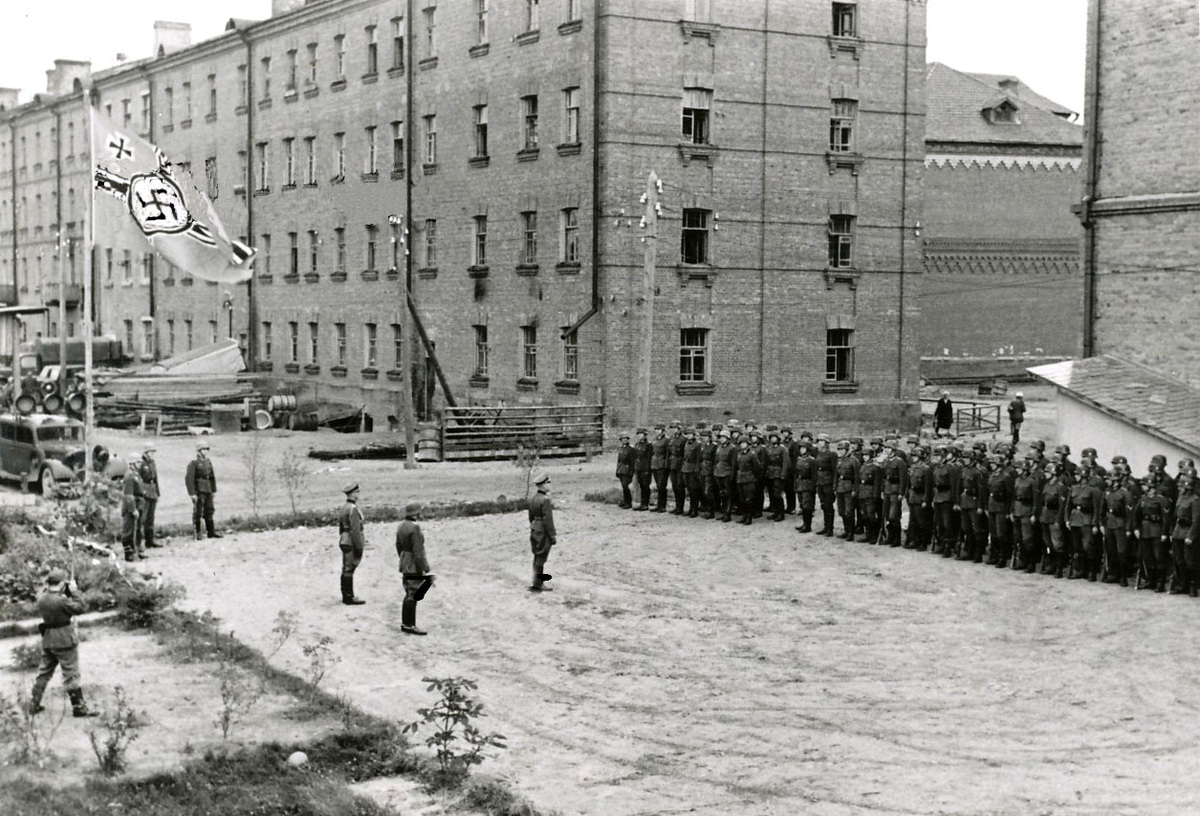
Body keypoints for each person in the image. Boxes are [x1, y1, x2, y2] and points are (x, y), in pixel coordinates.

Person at [29, 569, 96, 717]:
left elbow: (50, 596)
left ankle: (33, 704)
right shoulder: (62, 600)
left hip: (48, 638)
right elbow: (81, 608)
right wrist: (75, 591)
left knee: (44, 672)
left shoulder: (42, 598)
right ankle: (79, 708)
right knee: (71, 673)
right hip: (64, 639)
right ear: (61, 583)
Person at [395, 501, 433, 634]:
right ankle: (409, 625)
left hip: (405, 560)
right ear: (416, 514)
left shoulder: (401, 526)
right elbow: (418, 551)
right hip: (413, 563)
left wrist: (404, 558)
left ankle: (407, 623)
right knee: (414, 592)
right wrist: (423, 568)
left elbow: (398, 546)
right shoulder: (415, 528)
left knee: (408, 591)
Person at [185, 440, 222, 540]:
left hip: (208, 488)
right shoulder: (194, 463)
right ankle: (198, 532)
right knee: (198, 511)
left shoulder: (208, 462)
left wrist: (213, 490)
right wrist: (192, 493)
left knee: (209, 510)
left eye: (206, 449)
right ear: (199, 451)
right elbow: (189, 479)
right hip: (199, 489)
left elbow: (212, 476)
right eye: (203, 449)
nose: (205, 451)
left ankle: (211, 531)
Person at [338, 483, 367, 605]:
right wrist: (360, 546)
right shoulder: (353, 509)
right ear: (352, 494)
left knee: (346, 568)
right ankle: (349, 597)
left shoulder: (344, 507)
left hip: (344, 539)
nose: (358, 494)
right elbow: (355, 530)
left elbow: (341, 527)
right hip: (351, 541)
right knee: (349, 569)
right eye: (357, 492)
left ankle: (346, 595)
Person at [528, 470, 557, 592]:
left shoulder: (533, 498)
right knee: (541, 557)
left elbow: (530, 517)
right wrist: (552, 536)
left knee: (536, 555)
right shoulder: (545, 500)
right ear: (543, 484)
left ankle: (536, 581)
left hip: (535, 528)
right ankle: (538, 584)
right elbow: (548, 520)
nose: (550, 485)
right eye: (548, 482)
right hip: (543, 530)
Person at [121, 454, 146, 562]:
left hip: (139, 503)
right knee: (129, 531)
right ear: (132, 464)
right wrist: (133, 509)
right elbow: (128, 495)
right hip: (131, 506)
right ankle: (128, 553)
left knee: (138, 530)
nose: (140, 464)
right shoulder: (129, 476)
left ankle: (136, 550)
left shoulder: (136, 474)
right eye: (138, 462)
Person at [140, 443, 161, 548]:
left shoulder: (153, 463)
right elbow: (139, 479)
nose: (152, 454)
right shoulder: (141, 464)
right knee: (143, 517)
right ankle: (138, 541)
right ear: (146, 453)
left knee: (151, 518)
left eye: (153, 452)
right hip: (145, 492)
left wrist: (157, 492)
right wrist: (141, 492)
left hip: (152, 491)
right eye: (151, 452)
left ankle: (150, 540)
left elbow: (155, 478)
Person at [632, 428, 653, 511]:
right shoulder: (637, 444)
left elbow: (649, 458)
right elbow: (635, 456)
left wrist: (647, 469)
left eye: (641, 434)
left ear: (645, 435)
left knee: (645, 486)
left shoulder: (648, 445)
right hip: (638, 467)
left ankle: (645, 504)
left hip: (645, 468)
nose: (640, 436)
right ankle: (642, 503)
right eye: (638, 434)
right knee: (641, 485)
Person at [615, 431, 634, 509]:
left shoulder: (630, 449)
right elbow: (619, 460)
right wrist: (617, 470)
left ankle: (629, 503)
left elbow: (632, 462)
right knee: (623, 487)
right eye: (622, 439)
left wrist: (631, 472)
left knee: (626, 486)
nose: (624, 440)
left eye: (625, 438)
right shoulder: (621, 448)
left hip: (627, 470)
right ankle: (625, 501)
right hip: (621, 470)